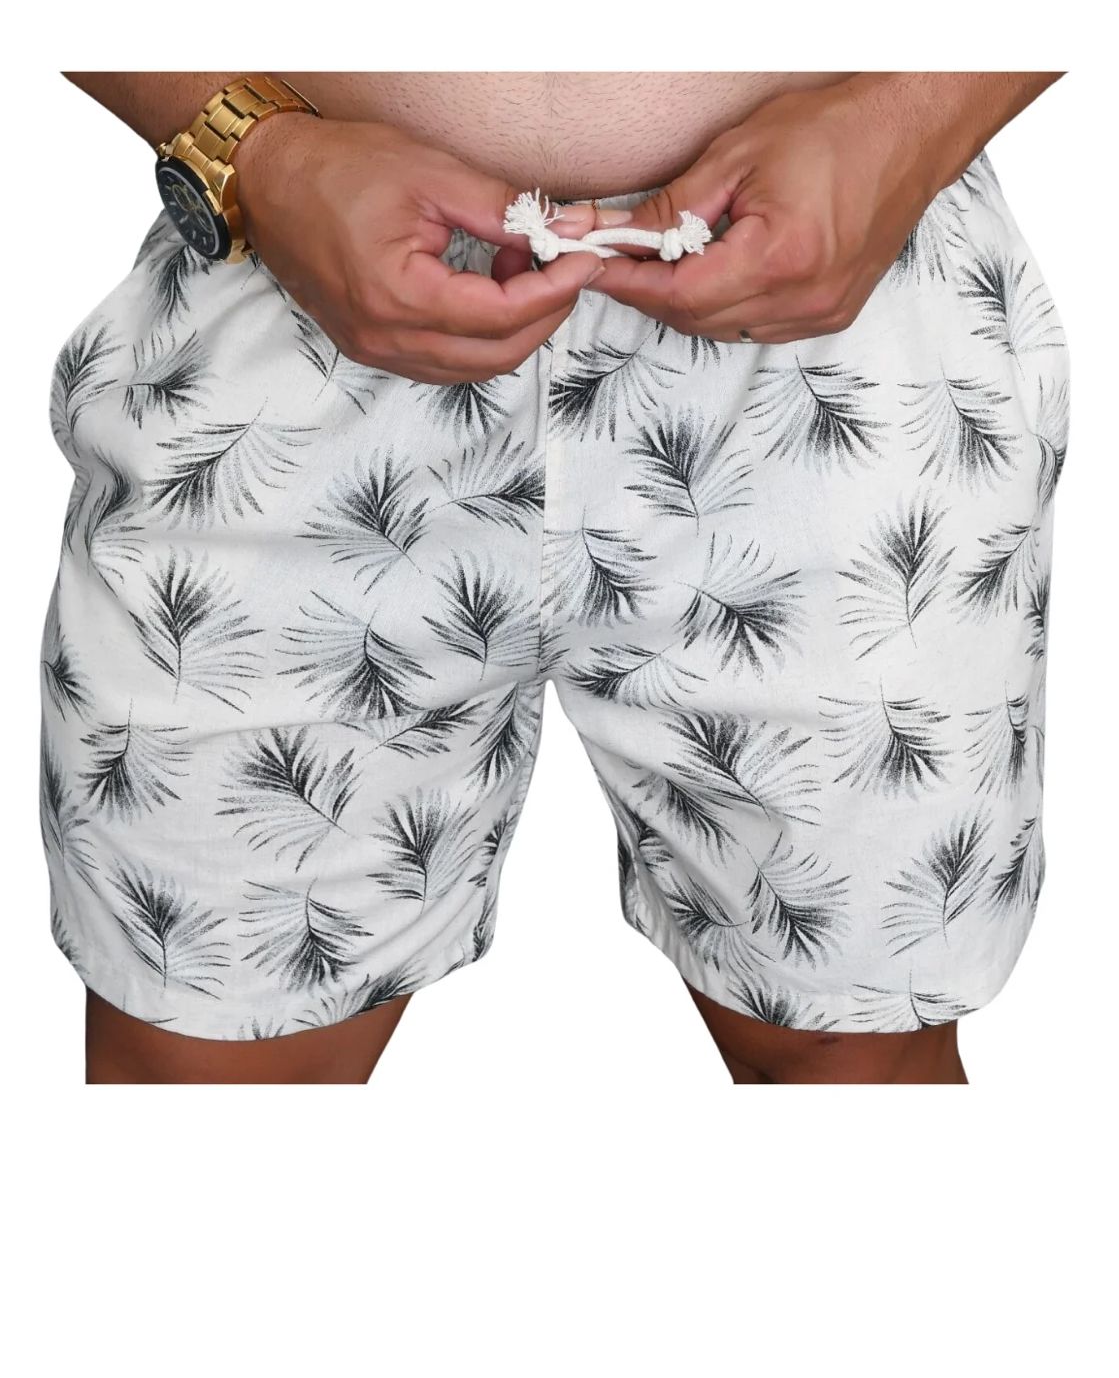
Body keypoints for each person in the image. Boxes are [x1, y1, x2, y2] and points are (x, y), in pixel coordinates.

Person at [44, 72, 1069, 1083]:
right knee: (208, 1058)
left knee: (853, 1052)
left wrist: (914, 119)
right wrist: (253, 149)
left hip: (836, 321)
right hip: (296, 289)